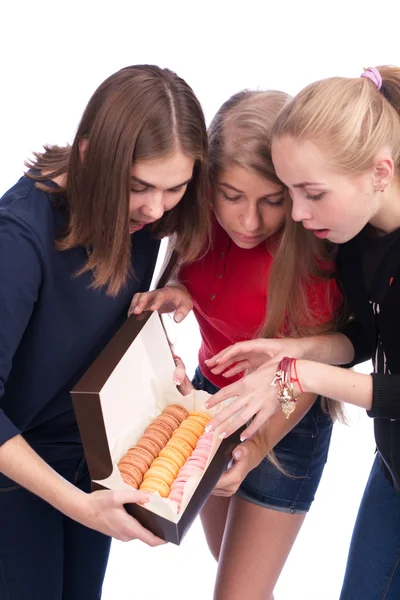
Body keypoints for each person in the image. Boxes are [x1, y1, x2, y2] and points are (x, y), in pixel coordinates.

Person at [0, 64, 210, 600]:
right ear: (92, 154)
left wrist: (158, 361)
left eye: (175, 189)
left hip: (90, 460)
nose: (156, 208)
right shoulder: (18, 241)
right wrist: (79, 506)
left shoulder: (144, 215)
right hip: (17, 475)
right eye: (140, 186)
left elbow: (97, 331)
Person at [131, 89, 343, 600]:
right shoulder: (195, 216)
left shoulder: (312, 251)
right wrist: (179, 289)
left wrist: (259, 445)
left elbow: (306, 380)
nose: (249, 222)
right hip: (211, 402)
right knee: (226, 564)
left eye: (272, 201)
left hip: (288, 420)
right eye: (232, 196)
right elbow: (205, 276)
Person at [204, 66, 400, 599]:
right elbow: (366, 335)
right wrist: (297, 350)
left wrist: (299, 370)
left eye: (308, 193)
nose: (294, 213)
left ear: (380, 172)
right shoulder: (357, 233)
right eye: (289, 191)